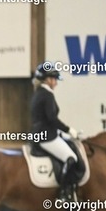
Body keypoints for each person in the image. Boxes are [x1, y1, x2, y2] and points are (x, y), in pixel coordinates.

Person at [31, 63, 80, 202]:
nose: (56, 83)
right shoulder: (47, 95)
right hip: (46, 136)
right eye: (54, 79)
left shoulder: (38, 93)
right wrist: (68, 130)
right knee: (71, 158)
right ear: (47, 79)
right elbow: (52, 118)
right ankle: (64, 193)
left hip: (41, 133)